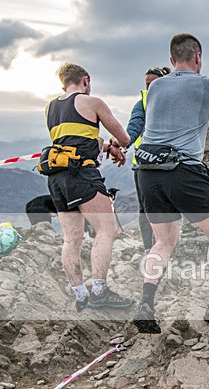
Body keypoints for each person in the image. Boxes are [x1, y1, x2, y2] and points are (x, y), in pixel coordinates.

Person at [132, 33, 209, 334]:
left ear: (172, 61)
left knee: (164, 241)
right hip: (183, 169)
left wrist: (207, 123)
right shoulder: (206, 83)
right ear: (198, 57)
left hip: (147, 170)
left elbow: (172, 120)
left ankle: (146, 303)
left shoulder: (156, 85)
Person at [44, 63, 134, 312]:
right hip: (82, 173)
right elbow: (124, 137)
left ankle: (80, 294)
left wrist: (104, 147)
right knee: (107, 230)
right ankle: (100, 290)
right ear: (86, 80)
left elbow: (74, 138)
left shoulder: (51, 107)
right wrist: (116, 144)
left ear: (63, 83)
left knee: (71, 239)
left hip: (56, 177)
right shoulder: (92, 102)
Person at [123, 66, 209, 252]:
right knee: (146, 211)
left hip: (170, 165)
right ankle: (150, 247)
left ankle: (164, 247)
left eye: (153, 83)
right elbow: (133, 128)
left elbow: (185, 123)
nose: (150, 88)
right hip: (145, 165)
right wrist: (121, 144)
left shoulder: (173, 99)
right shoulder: (142, 103)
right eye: (147, 84)